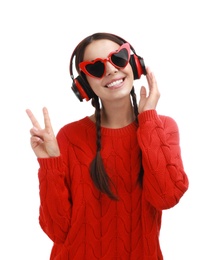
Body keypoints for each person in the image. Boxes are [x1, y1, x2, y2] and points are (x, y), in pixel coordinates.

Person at [26, 32, 189, 260]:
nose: (111, 69)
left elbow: (167, 196)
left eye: (118, 58)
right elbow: (57, 230)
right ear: (84, 84)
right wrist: (50, 164)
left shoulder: (162, 127)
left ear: (133, 62)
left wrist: (148, 119)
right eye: (96, 68)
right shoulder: (69, 137)